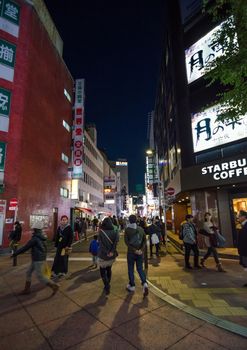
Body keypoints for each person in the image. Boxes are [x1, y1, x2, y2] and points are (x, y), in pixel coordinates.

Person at [11, 222, 59, 295]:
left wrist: (15, 253)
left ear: (36, 229)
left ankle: (54, 286)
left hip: (38, 259)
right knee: (28, 272)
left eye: (34, 229)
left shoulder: (35, 238)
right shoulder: (42, 236)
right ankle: (27, 289)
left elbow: (25, 247)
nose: (33, 230)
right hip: (37, 258)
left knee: (40, 276)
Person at [124, 214, 148, 296]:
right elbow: (144, 240)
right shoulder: (141, 229)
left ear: (129, 220)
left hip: (131, 252)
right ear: (136, 220)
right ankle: (144, 283)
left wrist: (134, 250)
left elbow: (126, 242)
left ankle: (132, 285)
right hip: (140, 253)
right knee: (140, 268)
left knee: (131, 269)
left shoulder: (127, 230)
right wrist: (141, 250)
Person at [98, 217, 119, 295]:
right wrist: (111, 251)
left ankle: (106, 285)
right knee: (109, 269)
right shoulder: (115, 231)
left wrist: (107, 252)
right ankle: (108, 284)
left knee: (102, 271)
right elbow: (115, 243)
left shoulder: (101, 232)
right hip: (111, 255)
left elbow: (101, 244)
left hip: (103, 255)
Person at [237, 210, 247, 287]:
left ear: (244, 217)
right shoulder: (242, 225)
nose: (238, 217)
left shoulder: (245, 225)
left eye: (239, 216)